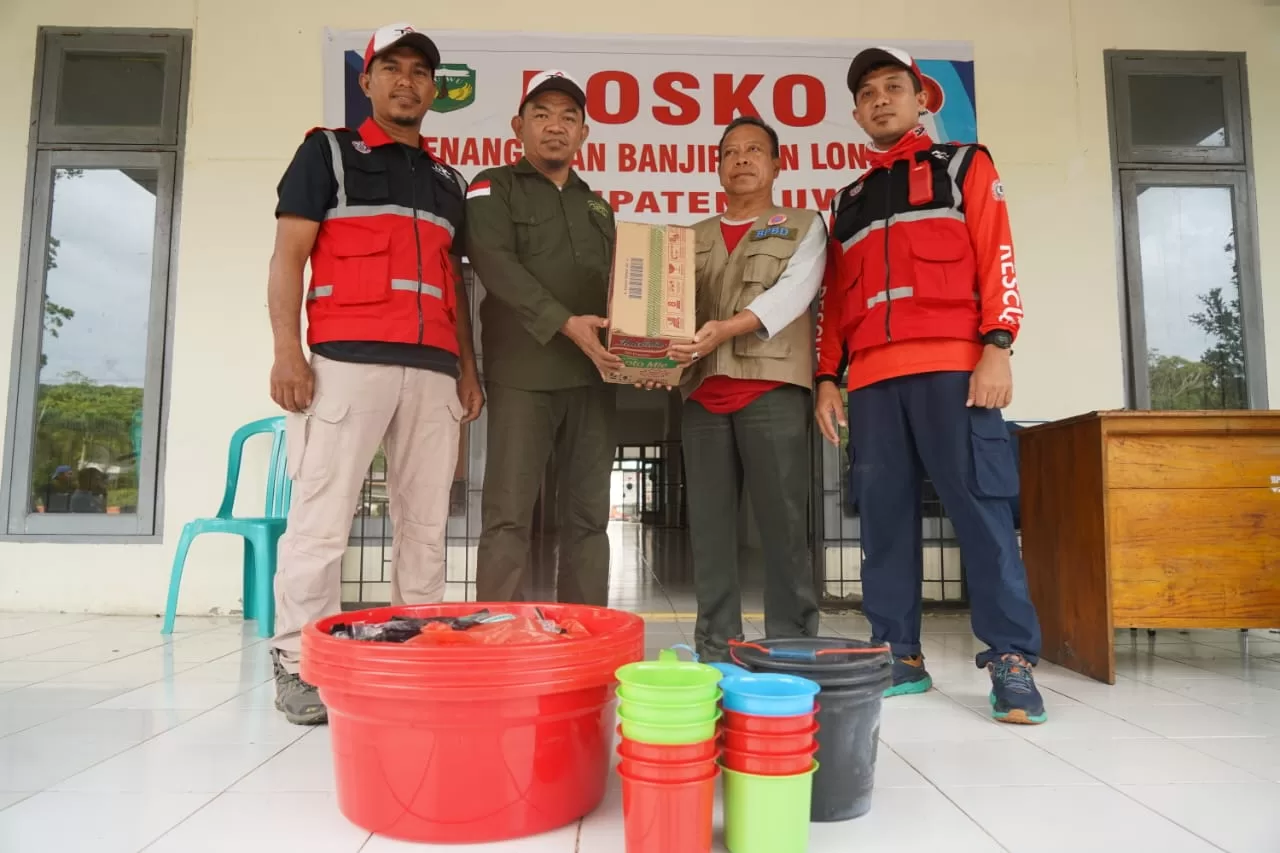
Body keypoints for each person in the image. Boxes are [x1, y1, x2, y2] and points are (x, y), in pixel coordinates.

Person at [814, 47, 1047, 724]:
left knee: (982, 514)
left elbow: (996, 251)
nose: (880, 99)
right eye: (867, 93)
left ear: (923, 100)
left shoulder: (966, 165)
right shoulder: (846, 202)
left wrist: (998, 345)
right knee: (883, 523)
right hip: (875, 384)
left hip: (956, 371)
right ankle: (897, 651)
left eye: (894, 87)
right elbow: (833, 300)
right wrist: (828, 377)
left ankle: (1011, 659)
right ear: (857, 113)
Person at [265, 22, 483, 725]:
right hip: (344, 365)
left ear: (433, 89)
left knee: (423, 524)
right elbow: (287, 258)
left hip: (433, 374)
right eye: (393, 68)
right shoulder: (327, 152)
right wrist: (286, 351)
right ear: (368, 80)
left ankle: (415, 647)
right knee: (322, 523)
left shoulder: (447, 179)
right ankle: (300, 663)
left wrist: (468, 372)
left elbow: (454, 284)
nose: (408, 81)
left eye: (421, 71)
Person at [667, 116, 823, 662]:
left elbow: (793, 294)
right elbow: (670, 314)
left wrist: (727, 328)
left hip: (772, 388)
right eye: (730, 151)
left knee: (783, 525)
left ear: (777, 165)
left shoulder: (805, 225)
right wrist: (648, 355)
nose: (741, 159)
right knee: (709, 531)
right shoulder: (689, 239)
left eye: (754, 150)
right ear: (717, 166)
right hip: (703, 395)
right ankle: (716, 644)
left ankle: (794, 641)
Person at [465, 71, 621, 606]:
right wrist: (564, 321)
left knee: (587, 517)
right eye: (542, 115)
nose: (555, 127)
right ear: (519, 126)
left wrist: (648, 352)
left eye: (568, 118)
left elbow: (620, 289)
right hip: (523, 377)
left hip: (593, 378)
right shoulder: (492, 187)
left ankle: (583, 634)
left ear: (584, 134)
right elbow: (495, 263)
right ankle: (496, 634)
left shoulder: (598, 206)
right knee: (509, 514)